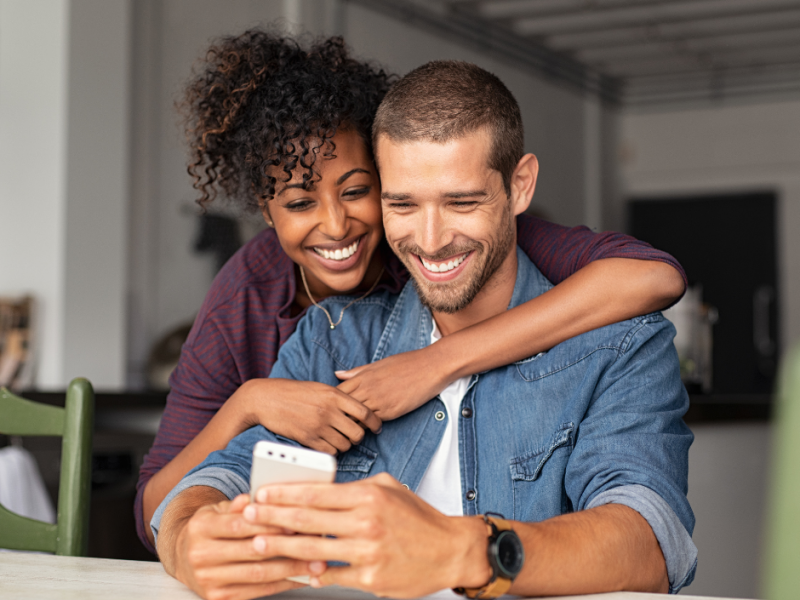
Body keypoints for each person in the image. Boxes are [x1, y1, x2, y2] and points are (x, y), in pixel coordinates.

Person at [152, 60, 696, 600]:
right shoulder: (330, 338)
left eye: (461, 202)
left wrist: (462, 551)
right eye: (403, 204)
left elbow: (649, 541)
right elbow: (215, 480)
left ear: (520, 186)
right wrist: (187, 539)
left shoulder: (621, 345)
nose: (431, 240)